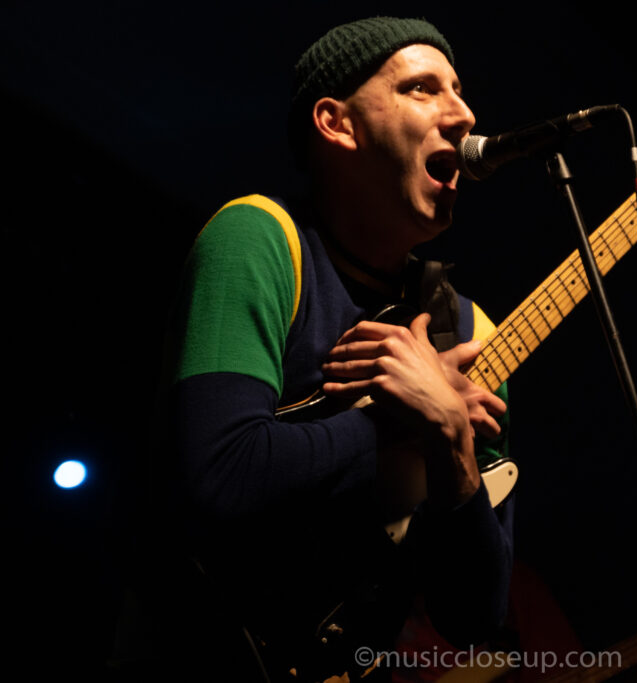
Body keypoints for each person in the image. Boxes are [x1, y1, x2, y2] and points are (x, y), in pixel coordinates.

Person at [159, 17, 514, 682]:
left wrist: (454, 443)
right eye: (421, 89)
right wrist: (404, 418)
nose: (464, 113)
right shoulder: (257, 238)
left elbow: (473, 617)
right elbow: (221, 477)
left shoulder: (471, 333)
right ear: (337, 123)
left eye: (461, 90)